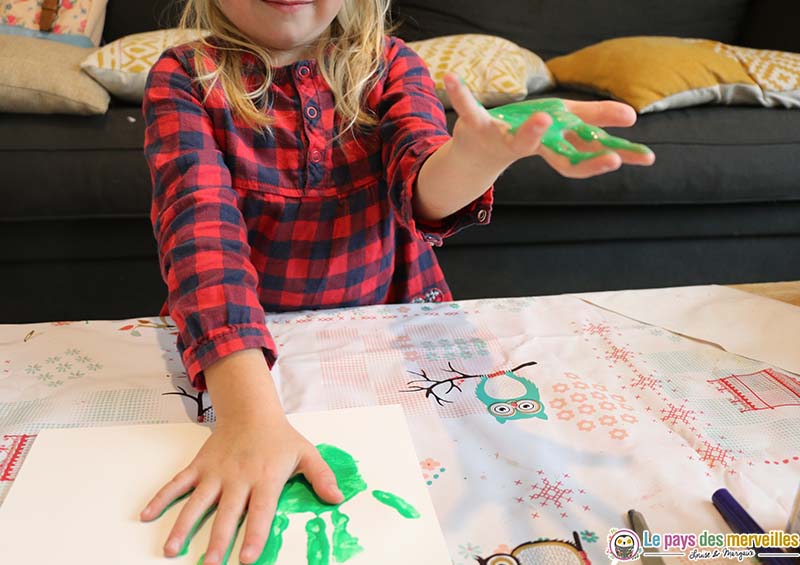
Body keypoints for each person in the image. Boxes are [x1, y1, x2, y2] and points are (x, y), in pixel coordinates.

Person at [139, 1, 655, 563]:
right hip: (236, 351)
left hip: (391, 332)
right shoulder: (184, 75)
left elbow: (425, 192)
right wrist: (248, 419)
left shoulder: (390, 64)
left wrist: (478, 157)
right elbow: (200, 235)